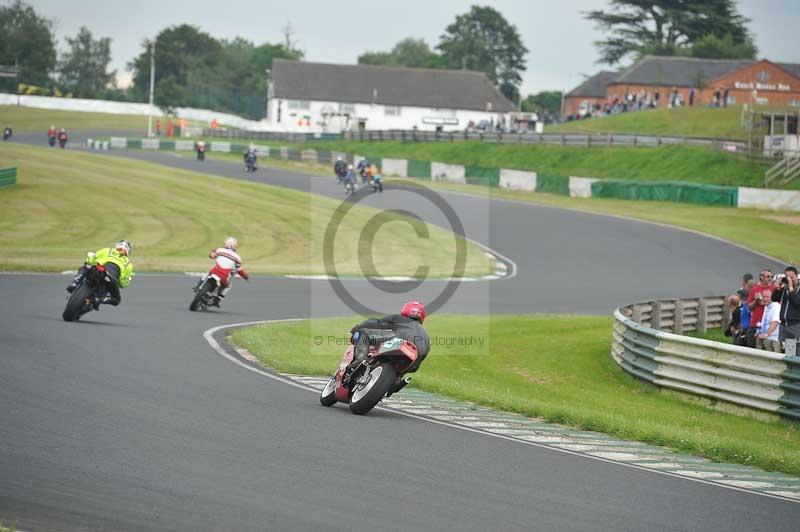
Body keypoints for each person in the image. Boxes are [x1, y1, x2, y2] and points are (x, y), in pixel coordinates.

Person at [349, 301, 429, 396]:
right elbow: (415, 368)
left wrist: (357, 328)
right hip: (411, 359)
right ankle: (395, 381)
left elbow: (374, 323)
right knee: (402, 372)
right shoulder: (425, 336)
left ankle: (360, 359)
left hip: (398, 342)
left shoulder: (398, 318)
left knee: (363, 334)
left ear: (405, 311)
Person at [66, 240, 134, 308]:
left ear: (117, 246)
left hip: (98, 269)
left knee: (86, 267)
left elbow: (93, 257)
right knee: (116, 300)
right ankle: (98, 299)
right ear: (128, 251)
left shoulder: (108, 250)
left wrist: (88, 262)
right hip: (110, 279)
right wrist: (121, 283)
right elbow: (124, 282)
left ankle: (74, 283)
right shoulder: (128, 264)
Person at [196, 237, 249, 307]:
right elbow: (239, 270)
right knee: (228, 286)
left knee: (208, 272)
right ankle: (217, 300)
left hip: (214, 272)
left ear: (226, 244)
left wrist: (212, 253)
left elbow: (211, 256)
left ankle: (199, 286)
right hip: (224, 277)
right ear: (235, 246)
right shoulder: (238, 257)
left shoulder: (220, 250)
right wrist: (245, 276)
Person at [746, 269, 773, 348]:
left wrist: (766, 302)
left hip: (769, 324)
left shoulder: (774, 289)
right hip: (755, 323)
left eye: (771, 276)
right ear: (761, 277)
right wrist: (756, 301)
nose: (770, 278)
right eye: (768, 276)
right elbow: (749, 307)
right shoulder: (754, 289)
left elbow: (778, 305)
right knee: (751, 345)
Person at [779, 266, 800, 352]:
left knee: (796, 351)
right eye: (787, 277)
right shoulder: (784, 288)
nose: (790, 280)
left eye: (792, 277)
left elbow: (798, 302)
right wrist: (778, 288)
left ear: (797, 276)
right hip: (784, 325)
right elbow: (774, 298)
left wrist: (791, 289)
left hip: (795, 325)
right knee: (784, 351)